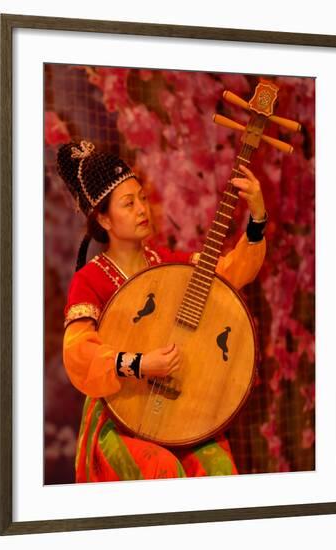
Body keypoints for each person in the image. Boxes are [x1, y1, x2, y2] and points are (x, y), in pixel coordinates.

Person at [57, 139, 267, 483]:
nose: (143, 209)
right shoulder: (90, 279)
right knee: (161, 469)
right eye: (128, 203)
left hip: (179, 413)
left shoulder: (164, 264)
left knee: (218, 467)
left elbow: (226, 276)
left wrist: (257, 218)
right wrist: (141, 363)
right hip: (118, 417)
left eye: (142, 198)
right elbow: (78, 353)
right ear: (105, 219)